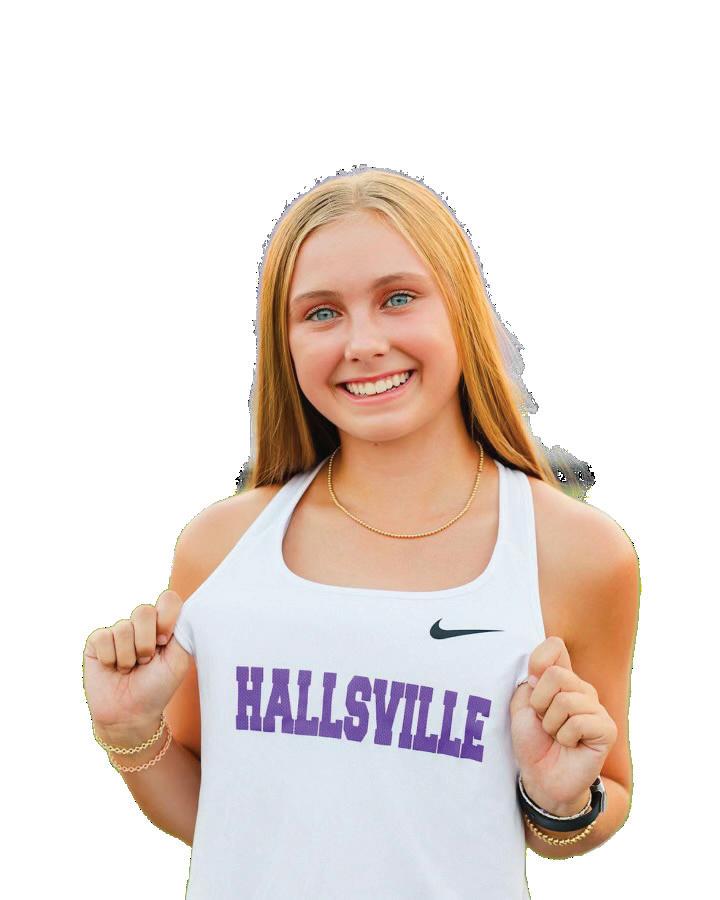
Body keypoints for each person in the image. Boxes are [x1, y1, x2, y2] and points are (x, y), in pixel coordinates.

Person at [83, 166, 639, 899]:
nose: (364, 342)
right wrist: (130, 735)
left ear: (461, 309)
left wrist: (559, 801)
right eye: (321, 313)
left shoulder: (577, 552)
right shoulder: (218, 548)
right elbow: (219, 817)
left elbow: (602, 795)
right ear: (284, 342)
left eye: (398, 298)